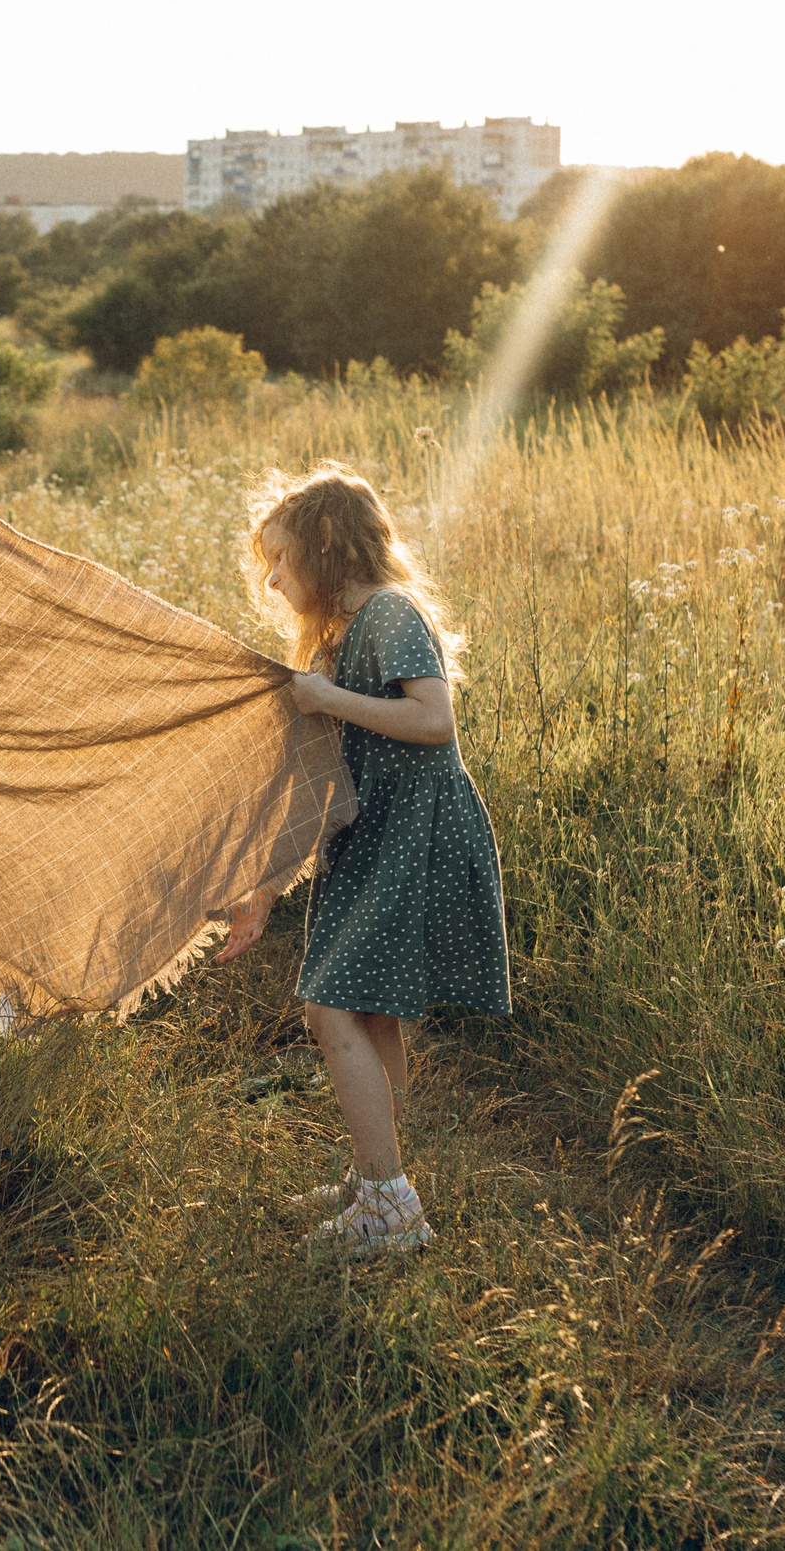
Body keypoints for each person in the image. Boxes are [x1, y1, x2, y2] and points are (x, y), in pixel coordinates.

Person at [216, 463, 511, 1254]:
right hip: (372, 836)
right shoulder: (346, 635)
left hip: (414, 833)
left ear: (324, 541)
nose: (272, 580)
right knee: (370, 1006)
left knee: (330, 1005)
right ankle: (382, 1172)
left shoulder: (389, 614)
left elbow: (434, 720)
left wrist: (328, 699)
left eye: (279, 560)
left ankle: (388, 1205)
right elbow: (317, 782)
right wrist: (265, 891)